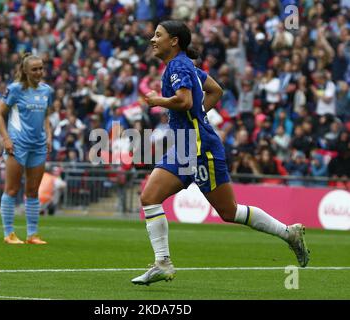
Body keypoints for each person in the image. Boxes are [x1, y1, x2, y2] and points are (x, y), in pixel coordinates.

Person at [131, 20, 310, 286]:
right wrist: (198, 115)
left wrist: (159, 102)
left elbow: (185, 100)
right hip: (184, 145)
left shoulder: (179, 66)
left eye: (158, 35)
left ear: (174, 41)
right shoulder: (183, 66)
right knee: (149, 196)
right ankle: (162, 263)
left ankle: (288, 233)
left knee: (229, 211)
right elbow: (215, 90)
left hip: (200, 147)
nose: (152, 40)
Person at [0, 53, 53, 245]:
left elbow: (46, 117)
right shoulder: (15, 89)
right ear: (25, 70)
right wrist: (6, 139)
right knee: (11, 189)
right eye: (34, 69)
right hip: (18, 144)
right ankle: (9, 233)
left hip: (38, 145)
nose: (38, 72)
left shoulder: (47, 91)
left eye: (41, 68)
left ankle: (32, 234)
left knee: (33, 191)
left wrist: (49, 136)